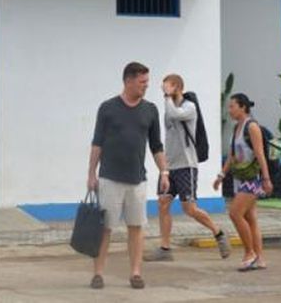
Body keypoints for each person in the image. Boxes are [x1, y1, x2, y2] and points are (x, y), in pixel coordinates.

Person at [87, 61, 169, 290]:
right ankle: (98, 273)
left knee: (136, 227)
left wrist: (164, 171)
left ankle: (135, 273)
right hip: (110, 178)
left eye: (147, 82)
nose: (146, 86)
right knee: (105, 228)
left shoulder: (150, 110)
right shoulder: (107, 108)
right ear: (128, 81)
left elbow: (156, 145)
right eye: (142, 82)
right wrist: (91, 173)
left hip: (137, 180)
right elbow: (97, 143)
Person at [144, 74, 229, 262]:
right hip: (170, 166)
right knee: (163, 203)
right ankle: (165, 248)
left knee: (189, 208)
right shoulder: (169, 107)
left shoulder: (189, 107)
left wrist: (167, 98)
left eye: (167, 87)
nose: (163, 91)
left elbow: (175, 114)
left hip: (186, 166)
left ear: (177, 87)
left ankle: (218, 233)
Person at [213, 93, 272, 271]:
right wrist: (221, 175)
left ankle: (249, 253)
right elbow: (231, 155)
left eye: (232, 106)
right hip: (240, 178)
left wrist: (266, 179)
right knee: (250, 218)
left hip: (252, 179)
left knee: (235, 213)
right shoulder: (236, 127)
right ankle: (260, 258)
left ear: (243, 107)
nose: (229, 110)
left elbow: (260, 154)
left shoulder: (252, 127)